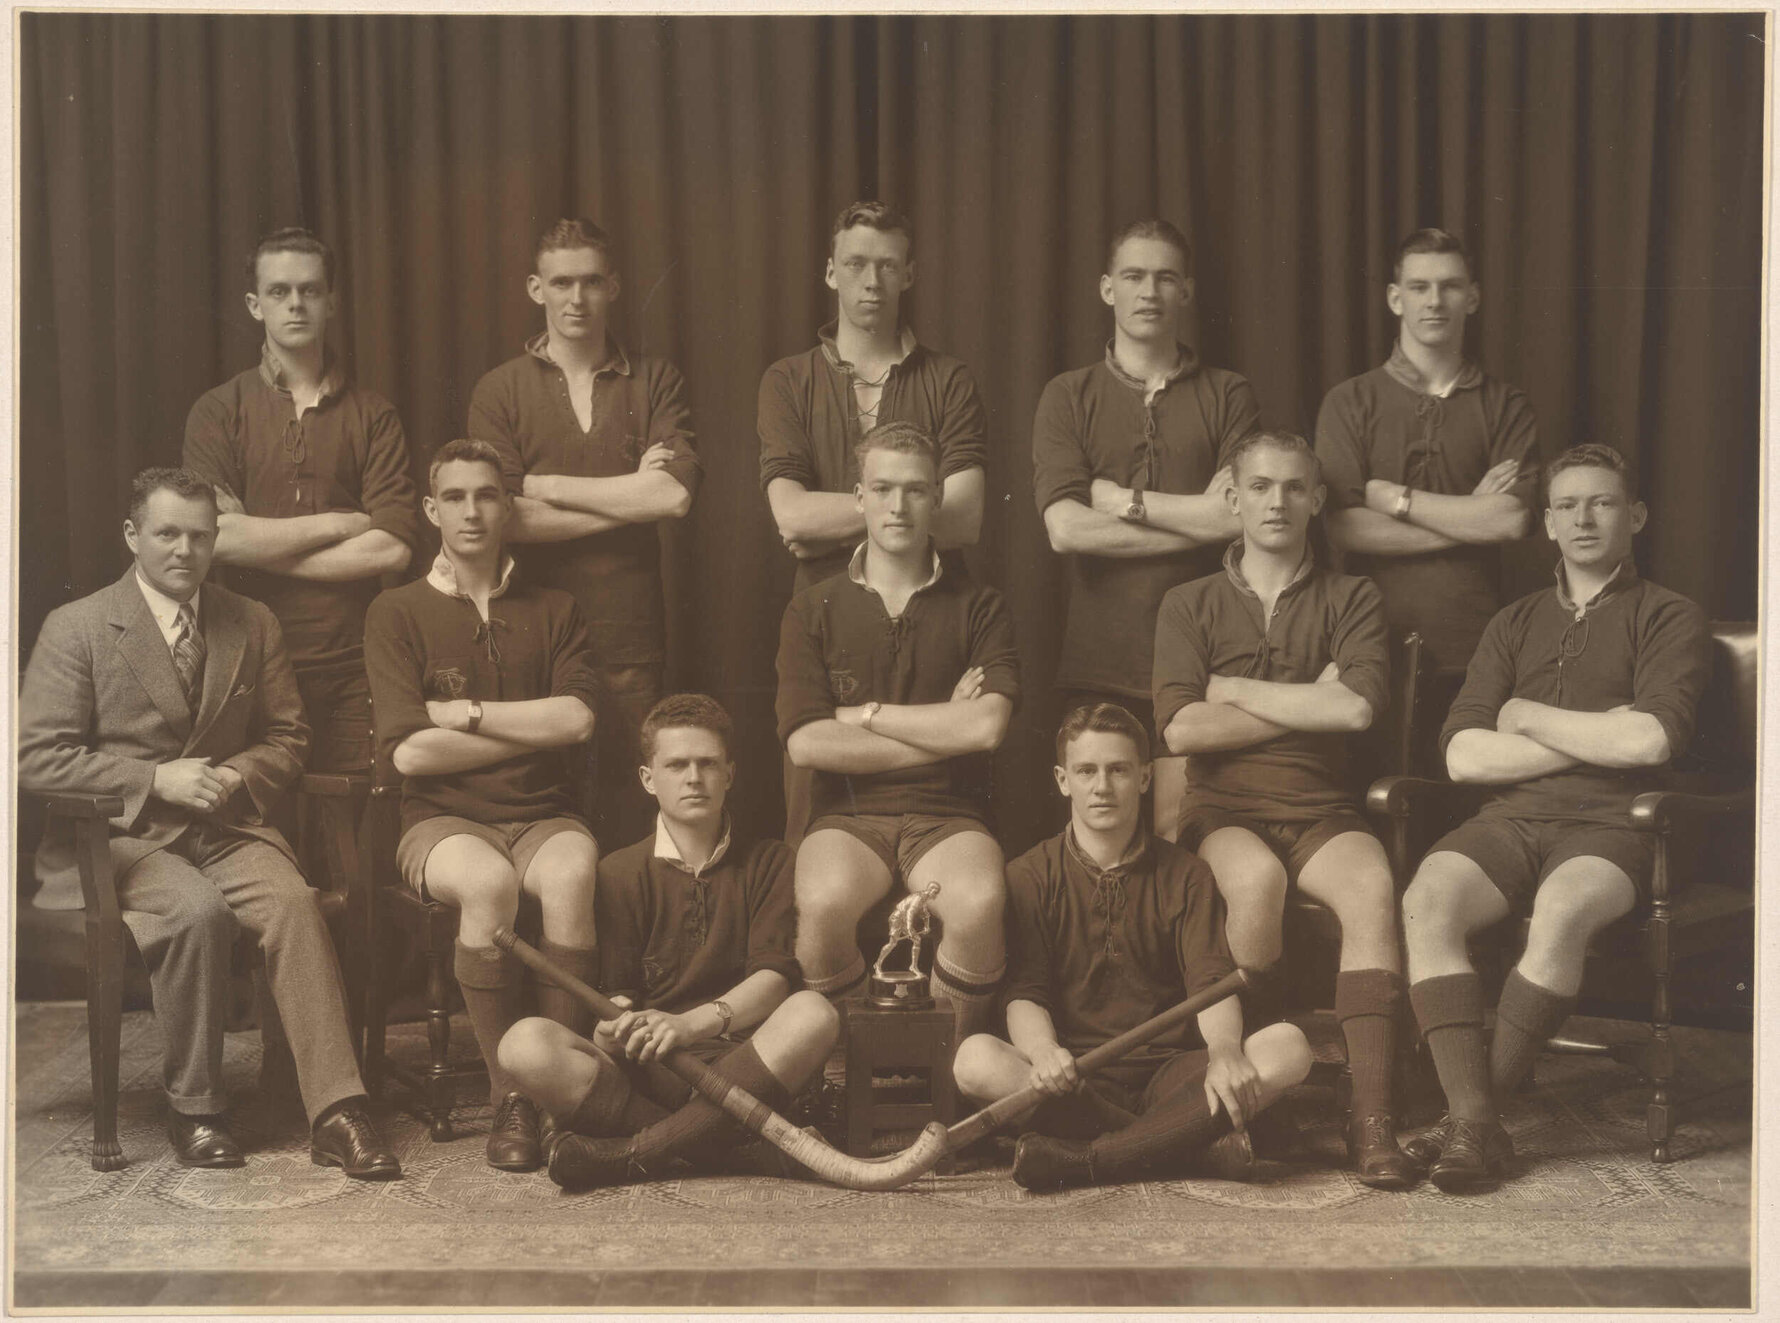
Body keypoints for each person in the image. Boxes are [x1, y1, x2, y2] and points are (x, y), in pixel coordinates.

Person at [19, 467, 400, 1178]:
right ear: (133, 535)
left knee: (293, 902)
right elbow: (34, 757)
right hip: (118, 839)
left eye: (199, 535)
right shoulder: (77, 628)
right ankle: (195, 1107)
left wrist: (237, 774)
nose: (184, 550)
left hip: (224, 826)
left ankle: (336, 1109)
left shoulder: (251, 620)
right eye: (166, 533)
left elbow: (289, 735)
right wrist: (153, 778)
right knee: (193, 911)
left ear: (217, 539)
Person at [1400, 444, 1709, 1192]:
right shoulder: (1513, 622)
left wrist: (1528, 717)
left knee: (1562, 909)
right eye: (1567, 504)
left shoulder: (1669, 614)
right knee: (1426, 898)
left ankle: (1467, 1125)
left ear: (1633, 515)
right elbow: (1465, 756)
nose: (1584, 517)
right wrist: (1588, 735)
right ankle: (1476, 1124)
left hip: (1616, 824)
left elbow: (1651, 738)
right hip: (1508, 820)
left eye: (1601, 502)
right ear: (1545, 522)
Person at [1152, 430, 1416, 1189]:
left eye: (1294, 487)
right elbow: (1182, 728)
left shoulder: (1352, 595)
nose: (1277, 501)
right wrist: (1314, 701)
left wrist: (1231, 689)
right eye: (1260, 486)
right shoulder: (1189, 602)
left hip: (1322, 806)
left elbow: (1361, 710)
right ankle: (1261, 1098)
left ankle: (1371, 1118)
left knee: (1371, 887)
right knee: (1256, 882)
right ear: (1232, 498)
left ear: (1317, 498)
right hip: (1224, 807)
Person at [363, 438, 602, 1173]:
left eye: (488, 494)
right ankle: (514, 1098)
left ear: (508, 506)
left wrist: (463, 715)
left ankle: (564, 1094)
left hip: (543, 813)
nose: (473, 510)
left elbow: (581, 721)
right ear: (432, 509)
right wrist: (527, 731)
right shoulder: (395, 610)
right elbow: (408, 753)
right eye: (457, 496)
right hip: (439, 820)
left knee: (572, 870)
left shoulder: (554, 606)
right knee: (489, 883)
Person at [952, 703, 1311, 1191]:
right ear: (1062, 780)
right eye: (1086, 771)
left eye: (1118, 770)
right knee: (974, 1059)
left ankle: (1093, 1159)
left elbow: (1210, 984)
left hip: (1173, 1076)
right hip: (1074, 1079)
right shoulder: (1028, 875)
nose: (1102, 786)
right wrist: (1042, 1053)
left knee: (1288, 1047)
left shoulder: (1187, 874)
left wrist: (1225, 1051)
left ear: (1144, 778)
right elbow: (1026, 993)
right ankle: (1189, 1145)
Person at [496, 693, 840, 1189]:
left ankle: (635, 1154)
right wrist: (611, 1029)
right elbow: (618, 997)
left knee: (815, 1013)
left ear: (730, 775)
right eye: (677, 765)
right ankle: (738, 1149)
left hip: (749, 1064)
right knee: (523, 1044)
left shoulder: (773, 861)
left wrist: (690, 1025)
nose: (694, 778)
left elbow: (773, 980)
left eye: (707, 764)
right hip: (655, 1073)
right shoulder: (616, 872)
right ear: (648, 779)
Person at [777, 419, 1019, 1045]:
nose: (898, 506)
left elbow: (988, 727)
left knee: (978, 900)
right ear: (858, 498)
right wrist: (945, 726)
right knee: (822, 906)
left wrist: (862, 716)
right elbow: (805, 743)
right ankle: (853, 1062)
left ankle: (945, 1065)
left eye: (915, 490)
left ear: (937, 497)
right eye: (882, 489)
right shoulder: (814, 605)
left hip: (948, 813)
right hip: (846, 817)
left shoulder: (980, 605)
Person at [758, 199, 988, 839]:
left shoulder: (949, 379)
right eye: (855, 264)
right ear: (830, 273)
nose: (871, 281)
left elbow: (966, 519)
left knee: (945, 807)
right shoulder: (788, 380)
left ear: (909, 274)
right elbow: (793, 518)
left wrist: (857, 511)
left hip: (934, 607)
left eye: (887, 266)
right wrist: (909, 505)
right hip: (824, 616)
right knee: (817, 818)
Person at [468, 218, 700, 848]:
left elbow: (675, 496)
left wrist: (544, 485)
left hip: (630, 632)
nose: (577, 299)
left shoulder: (654, 380)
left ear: (615, 286)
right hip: (530, 628)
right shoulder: (500, 390)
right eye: (562, 282)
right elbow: (504, 519)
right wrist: (631, 497)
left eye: (592, 282)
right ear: (535, 289)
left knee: (632, 797)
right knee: (542, 804)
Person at [1032, 218, 1258, 838]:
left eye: (1165, 278)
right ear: (1108, 289)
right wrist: (1202, 523)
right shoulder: (1068, 395)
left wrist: (1124, 502)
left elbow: (1240, 517)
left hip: (1204, 657)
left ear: (1185, 291)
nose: (1149, 291)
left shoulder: (1228, 394)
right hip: (1100, 658)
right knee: (1104, 845)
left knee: (1179, 840)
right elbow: (1066, 530)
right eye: (1133, 276)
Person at [183, 226, 417, 775]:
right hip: (245, 656)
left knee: (349, 829)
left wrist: (258, 543)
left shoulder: (373, 414)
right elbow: (215, 540)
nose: (295, 304)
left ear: (331, 300)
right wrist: (341, 523)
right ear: (254, 304)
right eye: (279, 292)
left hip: (351, 656)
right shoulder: (218, 411)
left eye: (310, 291)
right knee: (255, 827)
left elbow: (393, 550)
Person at [1315, 227, 1537, 677]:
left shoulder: (1506, 404)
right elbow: (1346, 529)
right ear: (1396, 299)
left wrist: (1398, 501)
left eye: (1450, 286)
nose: (1435, 300)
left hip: (1478, 641)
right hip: (1367, 639)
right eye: (1420, 287)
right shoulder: (1349, 401)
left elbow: (1512, 520)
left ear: (1472, 298)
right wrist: (1473, 517)